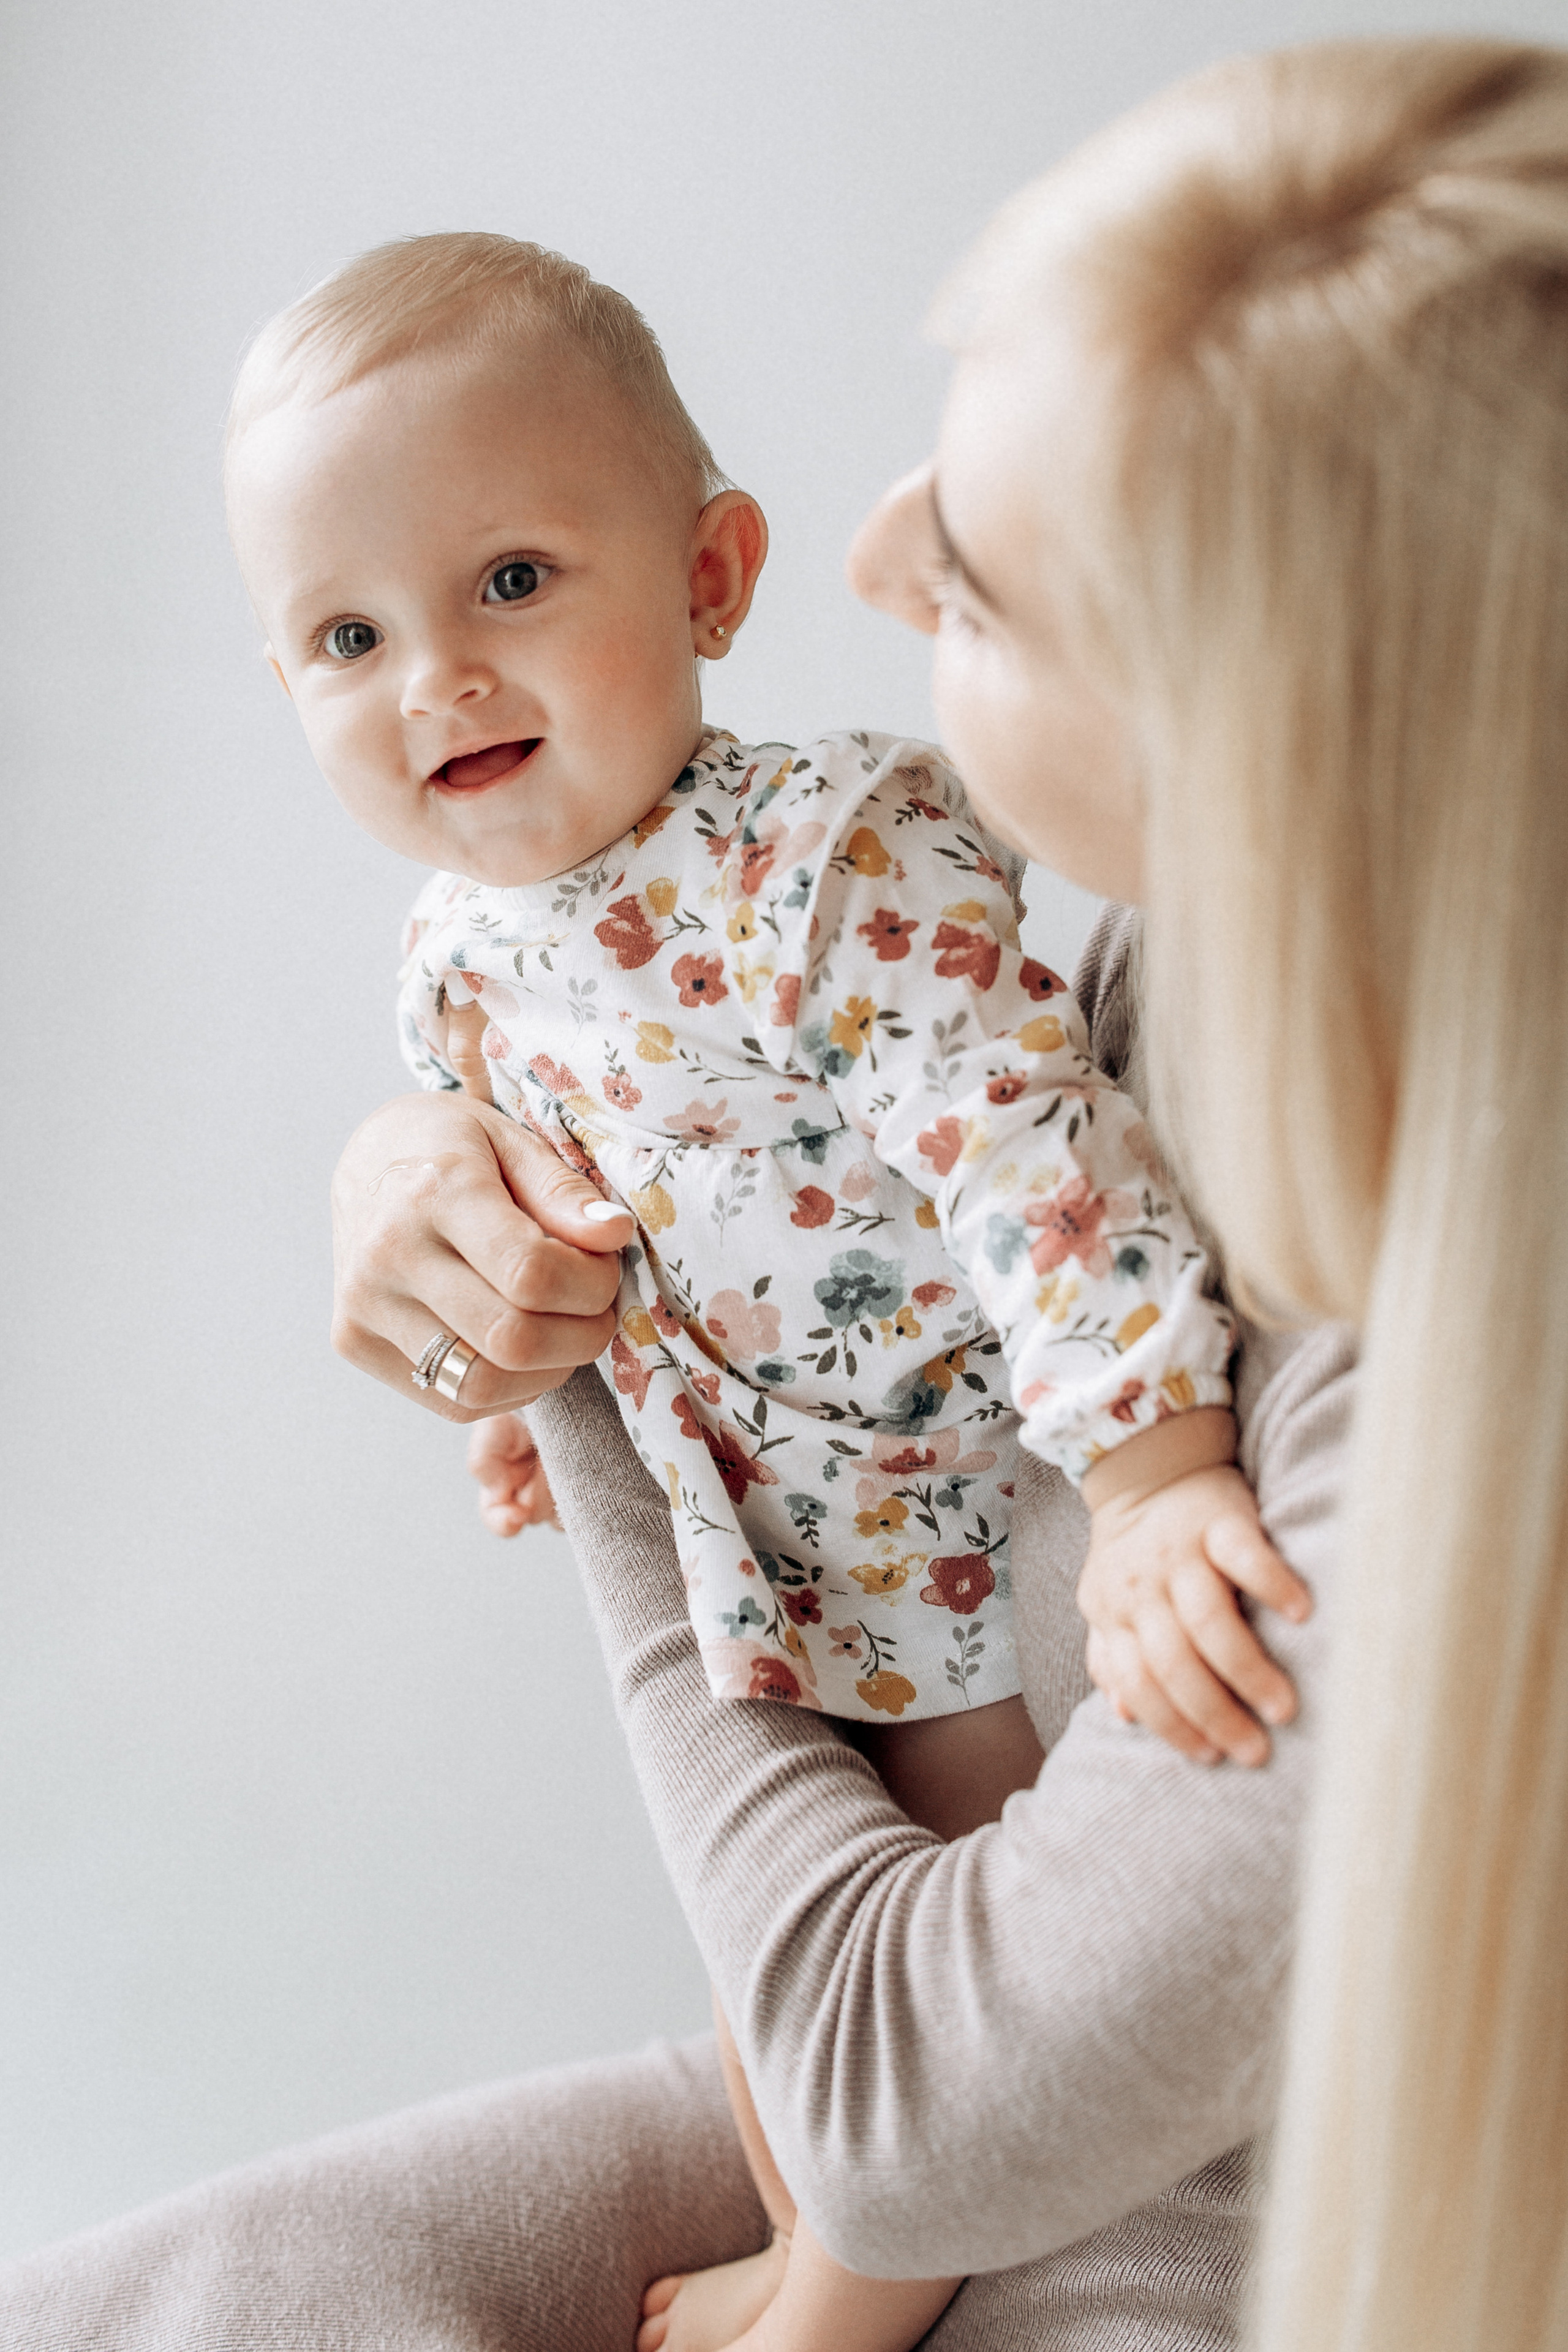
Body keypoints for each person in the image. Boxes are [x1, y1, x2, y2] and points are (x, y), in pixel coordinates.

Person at [5, 31, 1559, 2351]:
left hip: (1118, 2149)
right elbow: (595, 1121)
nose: (866, 552)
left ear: (1253, 727)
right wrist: (451, 1219)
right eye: (344, 639)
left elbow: (915, 2092)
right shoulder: (1195, 954)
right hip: (862, 1932)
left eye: (985, 583)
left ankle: (831, 2311)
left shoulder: (875, 884)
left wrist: (604, 1398)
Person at [220, 230, 1303, 2352]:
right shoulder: (458, 959)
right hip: (757, 1533)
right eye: (350, 635)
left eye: (511, 581)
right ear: (290, 690)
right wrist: (532, 1389)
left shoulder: (829, 859)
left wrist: (1158, 1475)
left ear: (711, 578)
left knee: (936, 1951)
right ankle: (814, 2247)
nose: (437, 676)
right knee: (762, 1959)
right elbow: (578, 1233)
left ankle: (840, 2310)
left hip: (962, 1503)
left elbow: (1027, 1146)